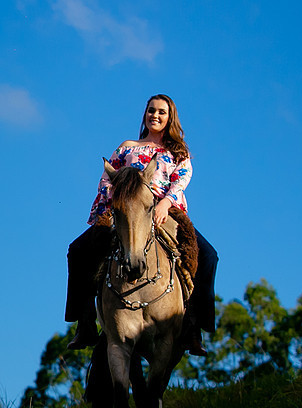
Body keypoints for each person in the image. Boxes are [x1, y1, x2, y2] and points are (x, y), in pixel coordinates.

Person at [65, 94, 218, 355]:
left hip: (164, 210)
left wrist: (165, 203)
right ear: (145, 114)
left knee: (208, 256)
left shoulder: (178, 152)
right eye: (151, 111)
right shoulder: (126, 147)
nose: (155, 116)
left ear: (170, 118)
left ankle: (193, 327)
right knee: (77, 251)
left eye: (161, 112)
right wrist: (113, 206)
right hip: (126, 211)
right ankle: (86, 322)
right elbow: (107, 177)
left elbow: (182, 179)